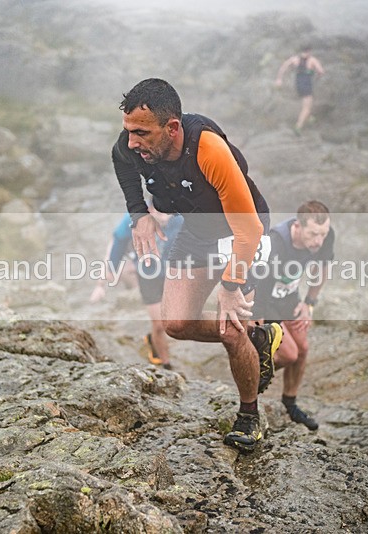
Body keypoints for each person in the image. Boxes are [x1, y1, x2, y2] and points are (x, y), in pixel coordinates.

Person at [111, 78, 282, 453]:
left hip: (242, 231)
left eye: (142, 132)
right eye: (128, 131)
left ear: (172, 128)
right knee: (175, 323)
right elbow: (122, 167)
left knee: (230, 324)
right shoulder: (129, 147)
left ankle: (250, 415)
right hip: (198, 231)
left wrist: (231, 285)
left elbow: (249, 227)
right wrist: (139, 215)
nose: (132, 141)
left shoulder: (207, 149)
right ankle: (260, 337)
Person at [252, 201, 334, 431]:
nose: (319, 240)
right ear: (298, 226)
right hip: (264, 300)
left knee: (302, 350)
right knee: (288, 354)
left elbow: (323, 266)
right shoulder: (276, 242)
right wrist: (257, 323)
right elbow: (259, 285)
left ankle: (290, 403)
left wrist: (309, 303)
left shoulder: (326, 236)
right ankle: (249, 376)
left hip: (290, 298)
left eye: (323, 234)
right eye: (313, 234)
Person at [90, 206, 183, 369]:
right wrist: (104, 280)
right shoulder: (134, 217)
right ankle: (166, 364)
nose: (164, 218)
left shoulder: (180, 216)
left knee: (175, 321)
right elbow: (115, 243)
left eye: (166, 213)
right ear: (150, 209)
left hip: (172, 273)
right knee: (160, 325)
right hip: (147, 274)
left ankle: (153, 340)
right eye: (159, 213)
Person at [275, 45, 325, 135]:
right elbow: (321, 71)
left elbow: (284, 66)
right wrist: (316, 76)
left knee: (306, 104)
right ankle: (298, 127)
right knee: (306, 107)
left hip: (298, 85)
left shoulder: (295, 59)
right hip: (307, 85)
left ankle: (310, 118)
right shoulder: (312, 60)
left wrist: (279, 79)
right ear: (309, 51)